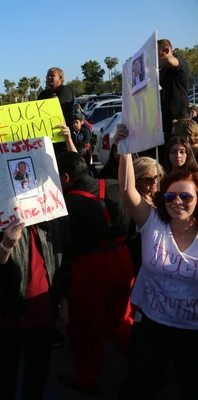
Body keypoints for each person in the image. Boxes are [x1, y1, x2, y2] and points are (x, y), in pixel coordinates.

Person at [115, 124, 198, 400]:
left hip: (192, 333)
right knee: (139, 386)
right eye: (170, 196)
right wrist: (124, 149)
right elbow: (127, 189)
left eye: (186, 197)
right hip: (152, 325)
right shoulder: (152, 222)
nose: (177, 202)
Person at [56, 151, 135, 394]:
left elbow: (64, 249)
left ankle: (86, 378)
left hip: (91, 267)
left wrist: (61, 291)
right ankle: (147, 362)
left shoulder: (67, 204)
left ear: (67, 177)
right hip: (123, 259)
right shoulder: (112, 185)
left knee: (87, 325)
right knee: (122, 318)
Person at [0, 216, 69, 400]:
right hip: (10, 316)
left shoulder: (52, 216)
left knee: (37, 378)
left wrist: (64, 301)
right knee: (6, 379)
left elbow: (63, 264)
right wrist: (5, 246)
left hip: (44, 317)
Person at [127, 157, 165, 273]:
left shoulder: (163, 197)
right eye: (147, 179)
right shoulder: (134, 202)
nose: (154, 182)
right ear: (137, 180)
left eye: (157, 176)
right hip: (140, 253)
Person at [158, 39, 191, 142]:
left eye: (156, 54)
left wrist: (146, 62)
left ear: (167, 51)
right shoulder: (162, 71)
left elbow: (169, 61)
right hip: (166, 123)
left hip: (180, 121)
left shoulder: (181, 62)